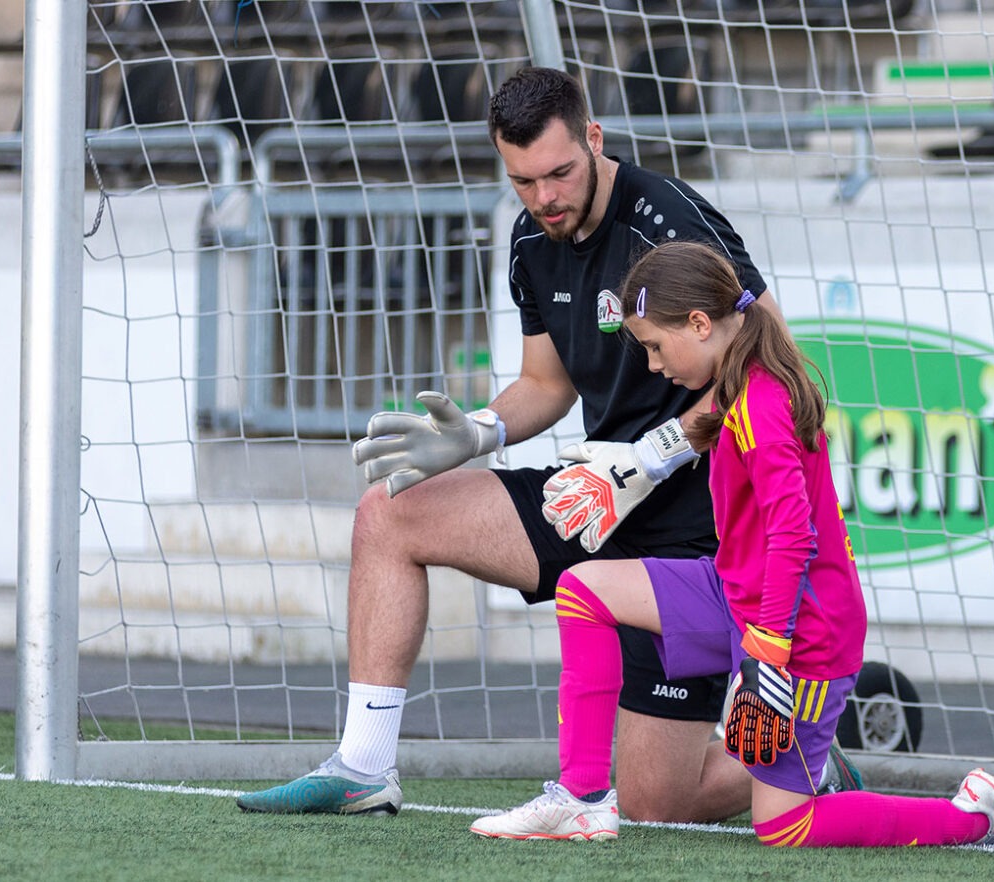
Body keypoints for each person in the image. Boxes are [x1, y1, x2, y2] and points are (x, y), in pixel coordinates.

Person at [236, 67, 859, 821]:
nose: (545, 197)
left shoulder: (668, 220)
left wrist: (658, 452)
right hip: (597, 499)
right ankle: (363, 767)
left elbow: (769, 360)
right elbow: (546, 381)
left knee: (661, 804)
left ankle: (807, 758)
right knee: (389, 514)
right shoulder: (530, 236)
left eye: (559, 173)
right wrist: (481, 431)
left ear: (594, 140)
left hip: (693, 533)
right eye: (524, 180)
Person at [470, 241, 994, 847]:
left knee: (786, 828)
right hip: (736, 591)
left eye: (656, 347)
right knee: (582, 589)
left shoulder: (761, 403)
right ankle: (581, 799)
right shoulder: (740, 381)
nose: (654, 364)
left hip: (805, 630)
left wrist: (766, 654)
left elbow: (794, 537)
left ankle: (976, 813)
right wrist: (637, 463)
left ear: (699, 324)